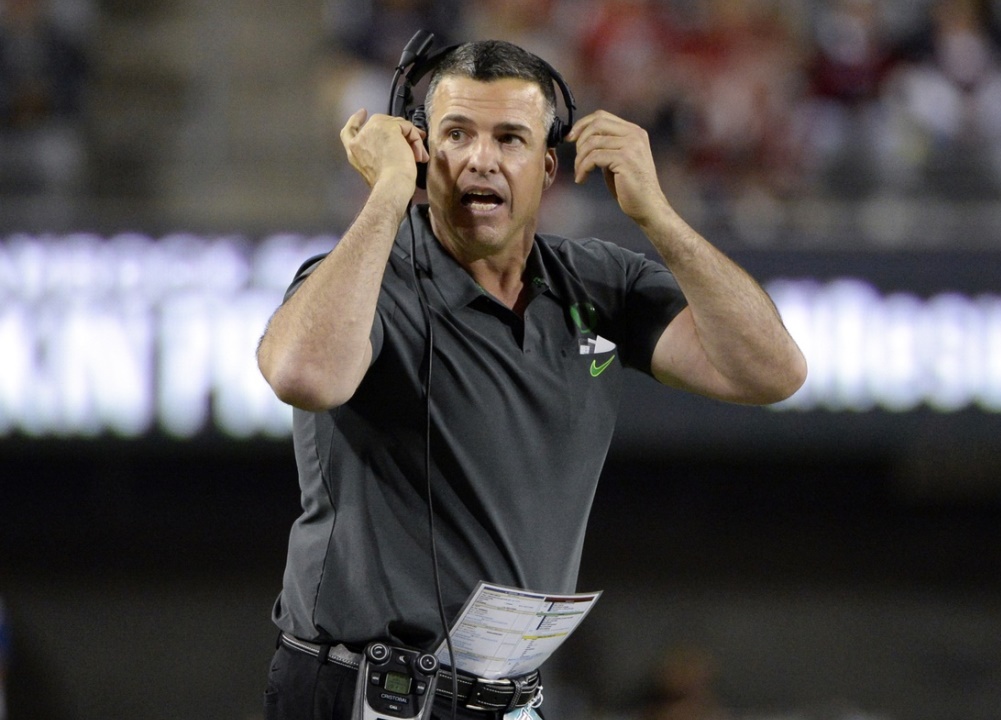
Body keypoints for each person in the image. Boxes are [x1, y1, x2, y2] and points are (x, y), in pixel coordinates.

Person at [255, 39, 806, 719]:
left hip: (509, 699)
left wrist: (657, 215)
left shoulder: (597, 281)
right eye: (456, 135)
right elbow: (303, 375)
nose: (481, 159)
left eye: (509, 138)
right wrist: (388, 194)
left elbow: (773, 372)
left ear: (548, 167)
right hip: (365, 692)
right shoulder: (364, 281)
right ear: (420, 150)